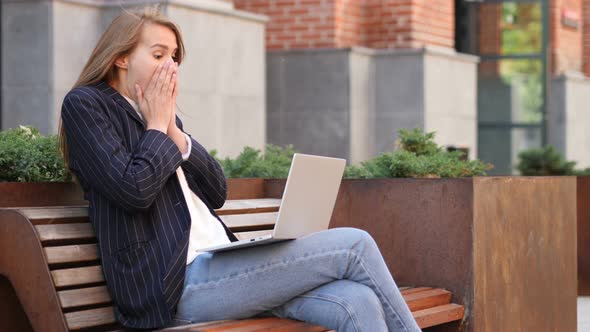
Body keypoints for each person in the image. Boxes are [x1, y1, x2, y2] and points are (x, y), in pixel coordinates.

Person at [59, 6, 421, 332]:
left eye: (174, 57)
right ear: (121, 58)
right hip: (174, 286)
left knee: (357, 302)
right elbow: (133, 190)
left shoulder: (163, 117)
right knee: (355, 244)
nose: (170, 66)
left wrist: (173, 132)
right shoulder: (87, 106)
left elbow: (217, 192)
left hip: (224, 265)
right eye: (158, 55)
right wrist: (156, 126)